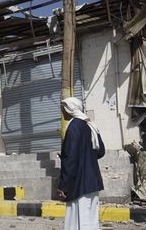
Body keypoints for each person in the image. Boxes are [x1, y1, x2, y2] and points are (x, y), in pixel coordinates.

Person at [57, 97, 105, 230]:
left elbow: (70, 160)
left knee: (79, 220)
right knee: (91, 219)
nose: (62, 112)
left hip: (79, 184)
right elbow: (101, 152)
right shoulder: (90, 125)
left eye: (63, 109)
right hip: (93, 181)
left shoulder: (73, 127)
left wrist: (63, 186)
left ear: (70, 109)